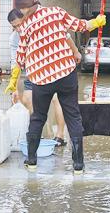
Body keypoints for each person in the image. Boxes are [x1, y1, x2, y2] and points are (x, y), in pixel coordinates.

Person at [5, 0, 106, 173]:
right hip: (66, 74)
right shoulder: (56, 12)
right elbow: (80, 25)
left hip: (42, 79)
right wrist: (96, 22)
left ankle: (32, 161)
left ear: (24, 8)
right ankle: (78, 165)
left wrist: (14, 79)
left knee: (38, 118)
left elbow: (20, 57)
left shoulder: (25, 27)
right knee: (73, 117)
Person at [8, 9, 80, 147]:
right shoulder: (14, 38)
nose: (18, 29)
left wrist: (75, 52)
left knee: (57, 99)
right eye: (14, 27)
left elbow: (66, 37)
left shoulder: (43, 22)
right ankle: (38, 138)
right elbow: (15, 63)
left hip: (53, 69)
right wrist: (14, 88)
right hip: (33, 73)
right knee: (28, 100)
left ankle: (60, 135)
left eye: (19, 24)